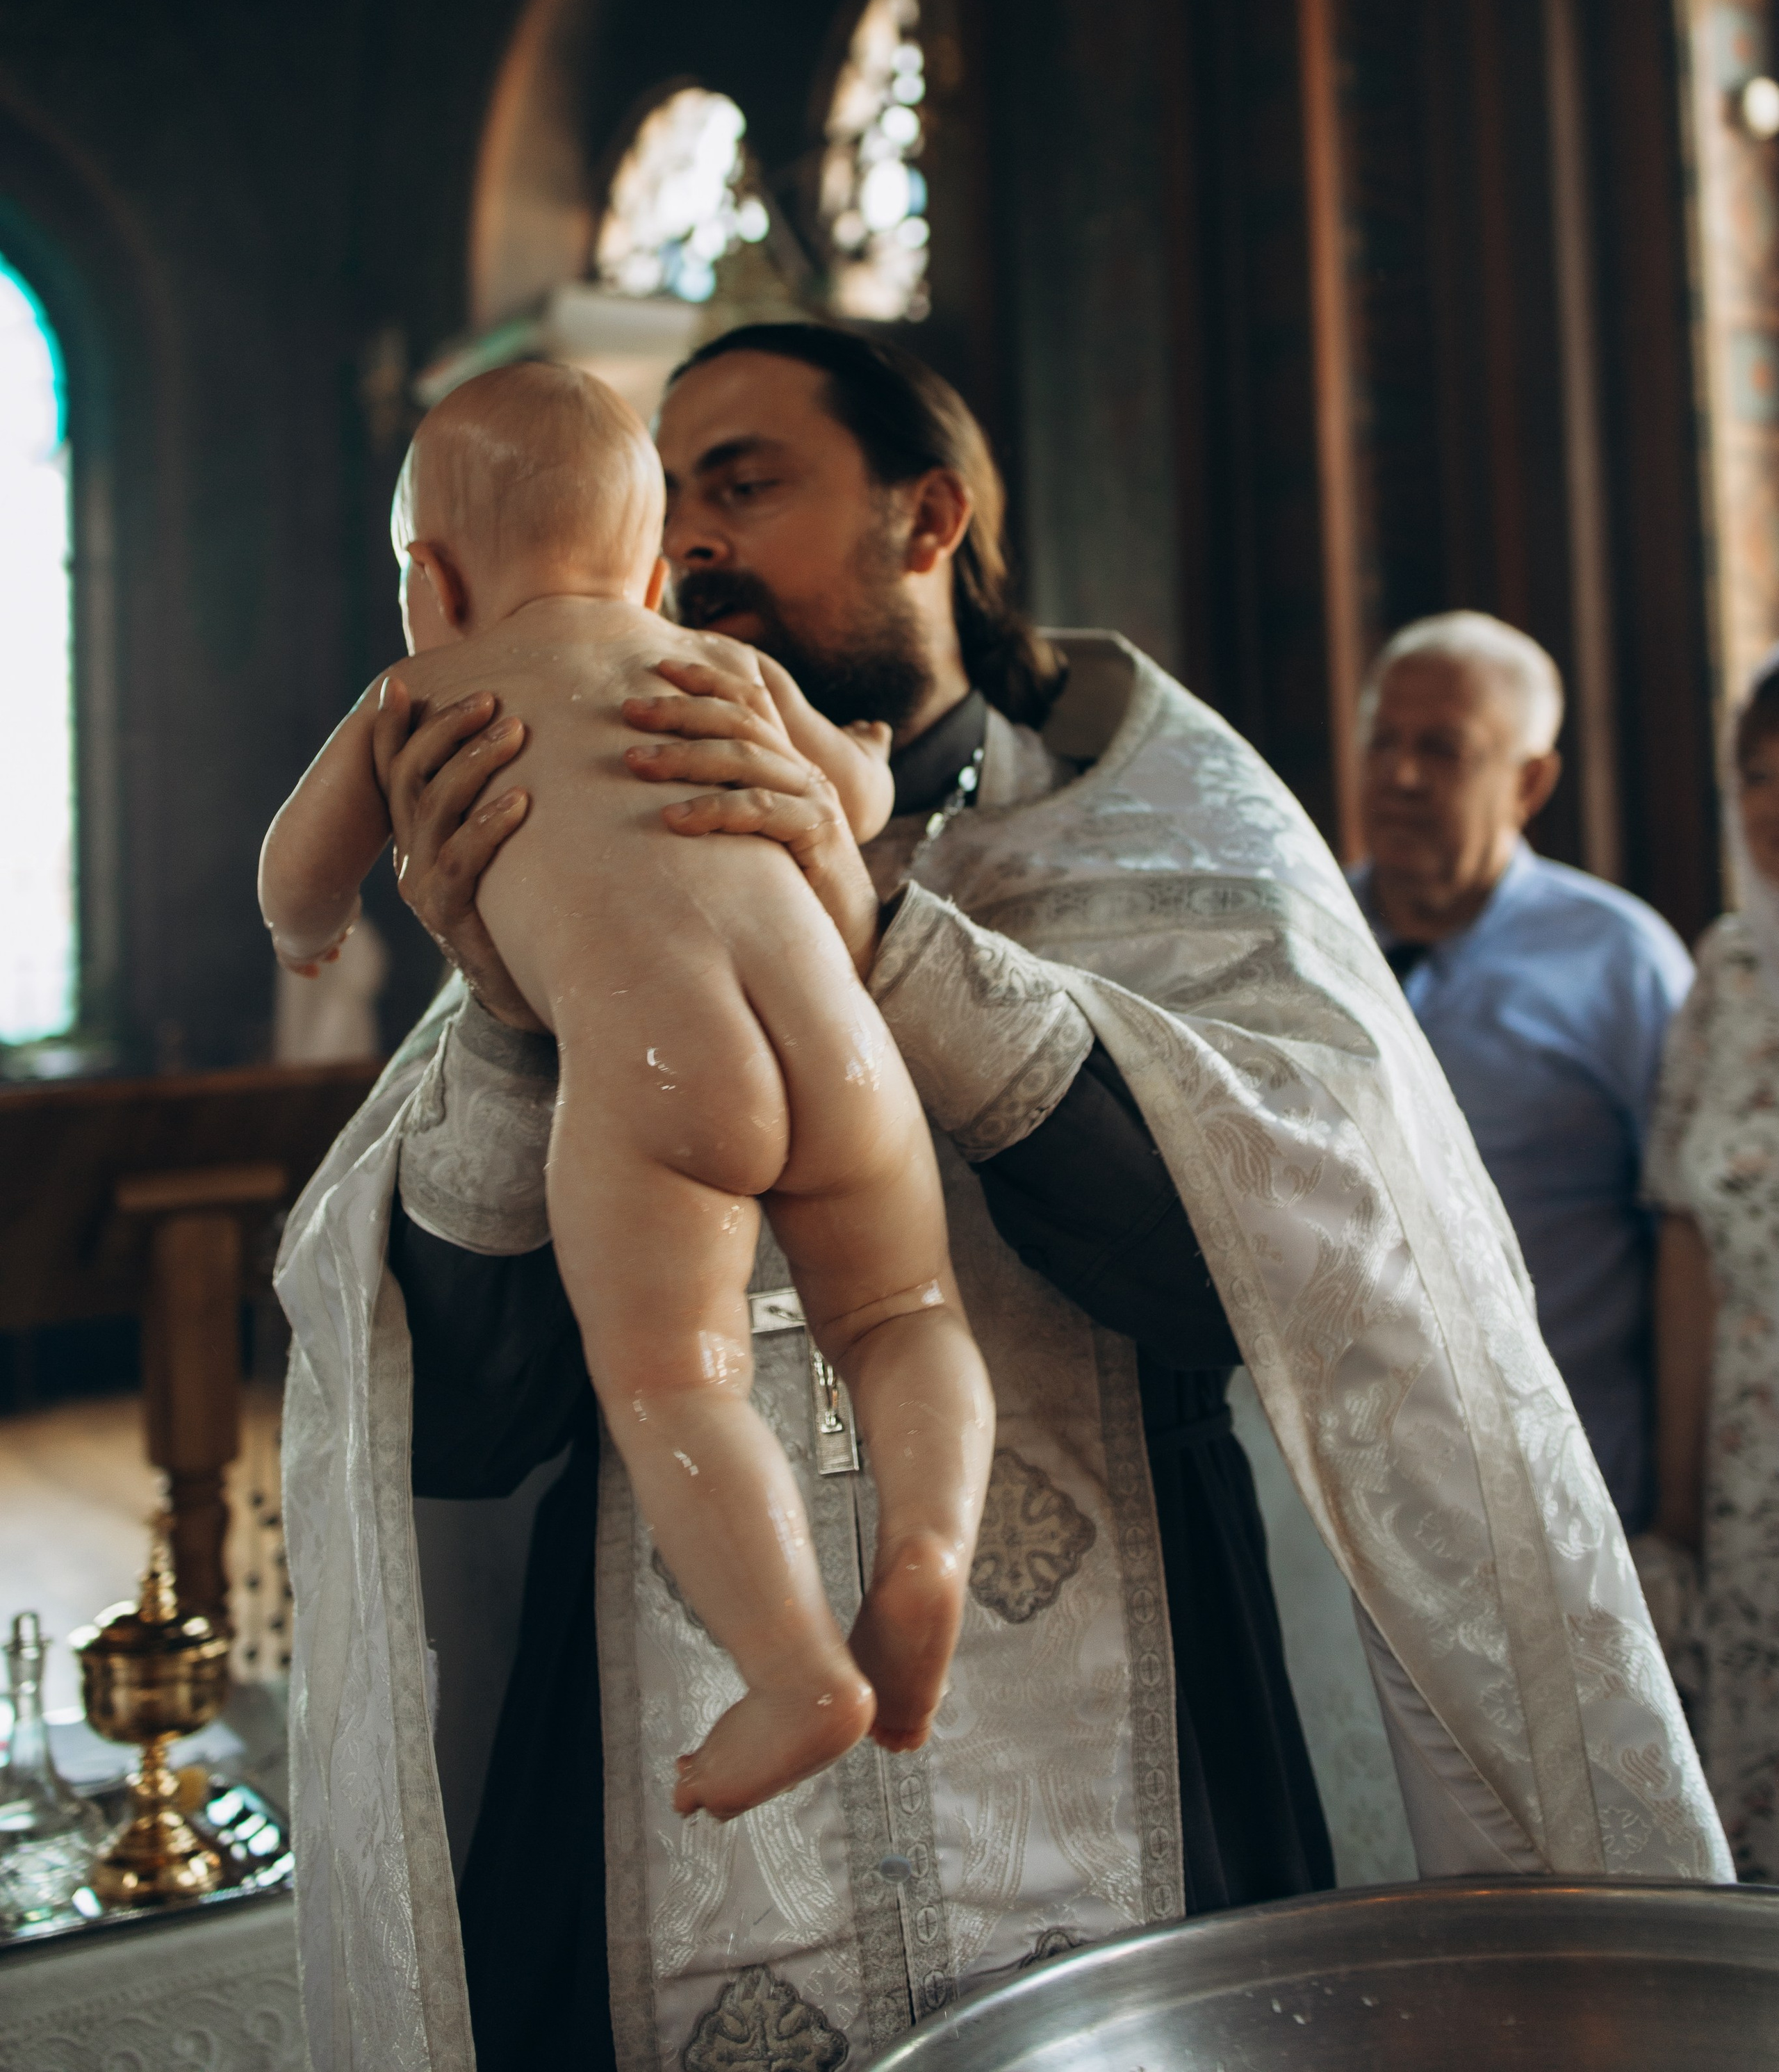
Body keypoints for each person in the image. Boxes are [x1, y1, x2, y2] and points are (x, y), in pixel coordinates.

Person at [276, 329, 1727, 2072]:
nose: (699, 536)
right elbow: (464, 1403)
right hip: (642, 1808)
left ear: (929, 516)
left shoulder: (1168, 831)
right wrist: (509, 1017)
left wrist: (888, 941)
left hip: (1146, 1769)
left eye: (745, 479)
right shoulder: (560, 817)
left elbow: (1297, 1280)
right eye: (679, 493)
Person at [259, 362, 993, 1817]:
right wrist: (844, 766)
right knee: (908, 1314)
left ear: (429, 580)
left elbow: (295, 869)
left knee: (674, 1376)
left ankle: (795, 1669)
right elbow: (854, 801)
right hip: (836, 1047)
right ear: (654, 569)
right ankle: (928, 1552)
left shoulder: (419, 693)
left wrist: (306, 931)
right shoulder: (714, 672)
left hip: (658, 1079)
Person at [1351, 612, 1694, 1532]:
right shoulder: (1301, 942)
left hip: (1577, 1493)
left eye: (1443, 750)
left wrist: (1681, 1511)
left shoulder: (1620, 962)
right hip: (1350, 1497)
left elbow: (1691, 1240)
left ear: (1530, 780)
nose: (1401, 776)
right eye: (1383, 742)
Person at [1644, 651, 1779, 1879]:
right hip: (1753, 1478)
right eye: (1755, 777)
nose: (1773, 806)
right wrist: (1680, 1509)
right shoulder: (1725, 973)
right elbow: (1682, 1238)